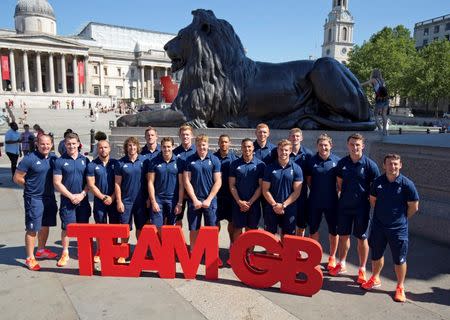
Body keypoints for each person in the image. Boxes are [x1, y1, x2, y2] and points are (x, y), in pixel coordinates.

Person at [362, 154, 419, 302]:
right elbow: (373, 201)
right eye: (389, 164)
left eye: (395, 164)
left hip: (398, 230)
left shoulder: (407, 185)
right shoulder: (377, 182)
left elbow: (414, 207)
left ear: (400, 165)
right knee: (376, 255)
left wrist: (400, 219)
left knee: (399, 260)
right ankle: (375, 278)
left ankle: (400, 287)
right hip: (379, 226)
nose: (392, 167)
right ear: (384, 165)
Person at [329, 133, 380, 284]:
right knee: (343, 236)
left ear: (363, 146)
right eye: (352, 144)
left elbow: (376, 188)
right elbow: (339, 183)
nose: (355, 147)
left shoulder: (370, 165)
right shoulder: (342, 163)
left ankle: (362, 269)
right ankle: (342, 263)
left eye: (358, 144)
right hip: (344, 207)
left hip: (361, 209)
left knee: (362, 239)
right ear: (347, 145)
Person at [13, 134, 59, 271]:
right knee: (32, 228)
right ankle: (30, 258)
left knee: (45, 225)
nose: (45, 146)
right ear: (37, 144)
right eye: (42, 144)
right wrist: (30, 187)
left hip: (49, 197)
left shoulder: (53, 158)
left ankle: (41, 250)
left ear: (51, 145)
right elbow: (17, 178)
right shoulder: (29, 159)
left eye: (48, 144)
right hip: (34, 198)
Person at [53, 132, 91, 267]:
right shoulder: (59, 161)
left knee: (83, 226)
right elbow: (57, 182)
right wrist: (71, 196)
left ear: (78, 144)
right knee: (67, 228)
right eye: (68, 144)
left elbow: (90, 182)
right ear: (64, 144)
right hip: (67, 201)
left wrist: (82, 194)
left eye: (74, 143)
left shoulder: (85, 160)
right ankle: (65, 252)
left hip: (83, 199)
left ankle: (82, 250)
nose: (71, 146)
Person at [305, 134, 340, 270]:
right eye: (321, 145)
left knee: (334, 231)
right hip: (314, 201)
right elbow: (309, 181)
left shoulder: (337, 161)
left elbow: (339, 183)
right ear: (317, 146)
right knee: (313, 229)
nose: (323, 147)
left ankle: (332, 257)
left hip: (332, 202)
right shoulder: (311, 161)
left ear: (331, 146)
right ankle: (314, 256)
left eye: (326, 145)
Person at [183, 134, 221, 249]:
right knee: (194, 228)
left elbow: (218, 181)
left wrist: (209, 200)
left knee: (211, 229)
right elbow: (186, 181)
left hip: (210, 200)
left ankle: (212, 253)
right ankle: (193, 252)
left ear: (208, 145)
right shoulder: (189, 160)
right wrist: (194, 199)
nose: (201, 147)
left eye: (203, 145)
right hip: (194, 201)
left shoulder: (214, 160)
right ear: (196, 146)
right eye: (199, 145)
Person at [115, 137, 147, 263]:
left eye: (134, 146)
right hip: (126, 201)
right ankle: (123, 253)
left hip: (140, 201)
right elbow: (117, 183)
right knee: (125, 227)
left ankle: (140, 251)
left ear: (137, 147)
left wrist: (149, 199)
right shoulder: (120, 163)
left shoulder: (144, 161)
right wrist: (119, 201)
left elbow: (149, 181)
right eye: (129, 146)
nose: (132, 148)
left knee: (140, 228)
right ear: (126, 148)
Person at [86, 140, 119, 263]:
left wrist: (112, 197)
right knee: (100, 226)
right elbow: (91, 185)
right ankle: (100, 249)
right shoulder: (92, 165)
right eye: (100, 148)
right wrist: (103, 197)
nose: (103, 150)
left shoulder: (116, 164)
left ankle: (114, 249)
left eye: (105, 147)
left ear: (109, 148)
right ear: (97, 149)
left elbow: (119, 183)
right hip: (100, 201)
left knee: (115, 226)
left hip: (114, 200)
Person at [262, 139, 303, 236]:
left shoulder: (296, 168)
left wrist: (283, 205)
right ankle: (271, 252)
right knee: (269, 236)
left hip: (289, 207)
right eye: (281, 150)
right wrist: (275, 205)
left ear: (290, 151)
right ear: (277, 151)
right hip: (272, 207)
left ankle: (284, 252)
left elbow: (297, 191)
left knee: (288, 237)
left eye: (286, 150)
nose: (283, 152)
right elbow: (265, 189)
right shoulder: (269, 168)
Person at [229, 138, 265, 241]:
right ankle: (238, 254)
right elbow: (232, 185)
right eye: (244, 146)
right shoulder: (234, 164)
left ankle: (249, 255)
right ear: (241, 148)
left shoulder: (260, 165)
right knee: (237, 230)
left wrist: (250, 202)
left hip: (253, 204)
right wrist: (239, 201)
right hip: (238, 203)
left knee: (251, 231)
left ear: (253, 148)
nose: (247, 149)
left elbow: (261, 186)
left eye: (249, 146)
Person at [147, 137, 184, 229]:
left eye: (168, 147)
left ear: (172, 147)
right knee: (157, 226)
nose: (166, 149)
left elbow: (181, 184)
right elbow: (150, 182)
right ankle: (159, 243)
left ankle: (168, 244)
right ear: (161, 147)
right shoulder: (154, 162)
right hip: (158, 199)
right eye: (164, 147)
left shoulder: (179, 162)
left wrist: (179, 203)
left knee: (171, 228)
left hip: (173, 199)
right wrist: (153, 201)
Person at [213, 134, 237, 249]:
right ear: (218, 143)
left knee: (231, 223)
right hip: (216, 197)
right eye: (221, 142)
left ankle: (232, 246)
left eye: (226, 142)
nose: (224, 144)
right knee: (215, 224)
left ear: (230, 143)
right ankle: (215, 247)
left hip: (230, 197)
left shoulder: (235, 159)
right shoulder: (212, 158)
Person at [288, 127, 313, 237]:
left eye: (297, 136)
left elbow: (309, 176)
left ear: (301, 138)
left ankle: (297, 247)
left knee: (301, 224)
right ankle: (285, 248)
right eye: (293, 136)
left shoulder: (308, 154)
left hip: (301, 195)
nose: (295, 138)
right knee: (286, 224)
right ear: (289, 137)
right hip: (286, 193)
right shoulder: (284, 152)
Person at [173, 124, 196, 226]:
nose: (185, 137)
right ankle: (180, 241)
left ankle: (194, 241)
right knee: (178, 218)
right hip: (178, 191)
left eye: (187, 134)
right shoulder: (174, 152)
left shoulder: (197, 150)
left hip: (195, 191)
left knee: (195, 221)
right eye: (183, 134)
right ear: (180, 136)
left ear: (192, 136)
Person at [361, 69, 389, 136]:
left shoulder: (373, 80)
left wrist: (356, 83)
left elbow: (363, 84)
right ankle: (384, 131)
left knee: (375, 115)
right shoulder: (382, 80)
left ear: (373, 73)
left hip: (379, 100)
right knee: (384, 115)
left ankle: (380, 129)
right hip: (386, 99)